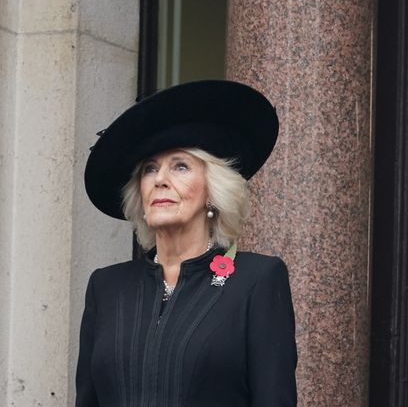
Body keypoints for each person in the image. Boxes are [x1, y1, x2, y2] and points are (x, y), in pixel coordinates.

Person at [76, 80, 297, 406]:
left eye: (180, 166)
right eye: (150, 169)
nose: (160, 179)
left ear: (211, 189)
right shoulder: (107, 287)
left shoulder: (256, 280)